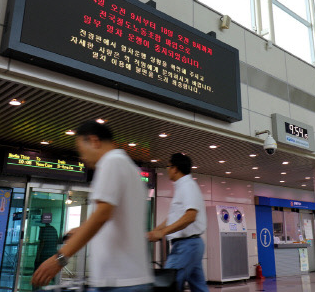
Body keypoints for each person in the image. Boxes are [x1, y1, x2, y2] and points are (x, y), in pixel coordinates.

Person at [32, 121, 153, 291]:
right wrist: (81, 230)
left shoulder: (111, 162)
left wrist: (60, 258)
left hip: (118, 282)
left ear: (94, 141)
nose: (82, 157)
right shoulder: (128, 166)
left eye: (82, 150)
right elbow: (113, 216)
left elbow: (102, 215)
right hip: (127, 279)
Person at [148, 153, 208, 292]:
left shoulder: (188, 186)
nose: (167, 170)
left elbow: (190, 216)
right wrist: (155, 231)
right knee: (199, 287)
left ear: (175, 168)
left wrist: (162, 232)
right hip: (190, 245)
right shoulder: (183, 186)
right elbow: (173, 218)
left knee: (168, 284)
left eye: (168, 166)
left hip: (186, 246)